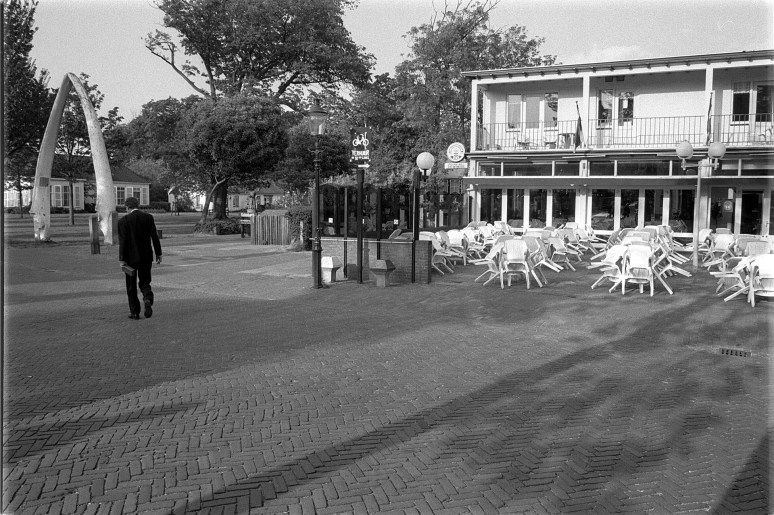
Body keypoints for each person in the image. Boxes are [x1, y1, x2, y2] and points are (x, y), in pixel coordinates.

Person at [118, 197, 162, 319]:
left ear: (127, 207)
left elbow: (123, 242)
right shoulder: (148, 218)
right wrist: (158, 253)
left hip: (130, 258)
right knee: (145, 281)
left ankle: (135, 312)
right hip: (146, 256)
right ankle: (147, 297)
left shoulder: (123, 221)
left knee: (131, 286)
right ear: (138, 205)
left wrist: (121, 259)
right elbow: (155, 237)